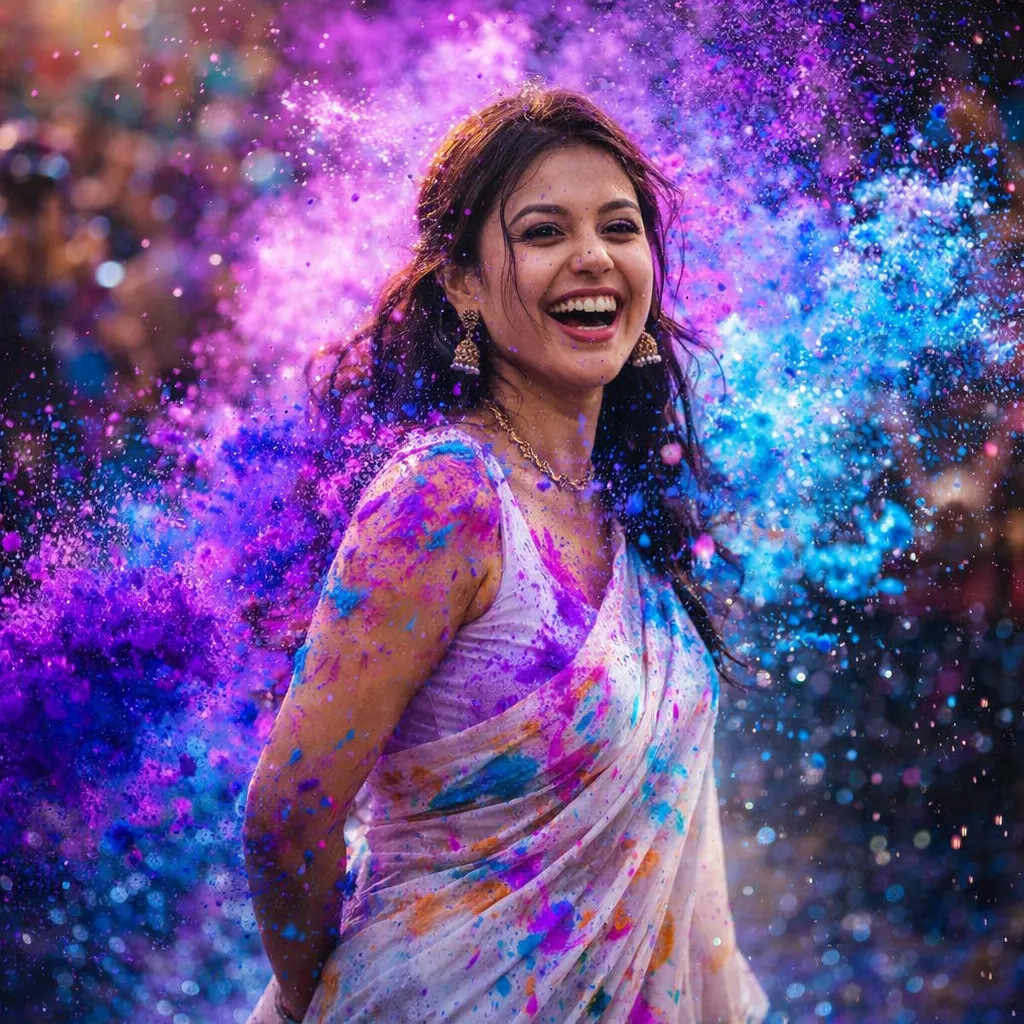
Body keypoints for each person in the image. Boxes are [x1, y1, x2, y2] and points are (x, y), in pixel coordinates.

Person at [243, 84, 769, 1023]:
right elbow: (288, 821)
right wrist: (337, 1001)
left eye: (620, 226)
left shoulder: (630, 509)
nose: (593, 259)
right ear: (462, 282)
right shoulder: (444, 501)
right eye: (541, 233)